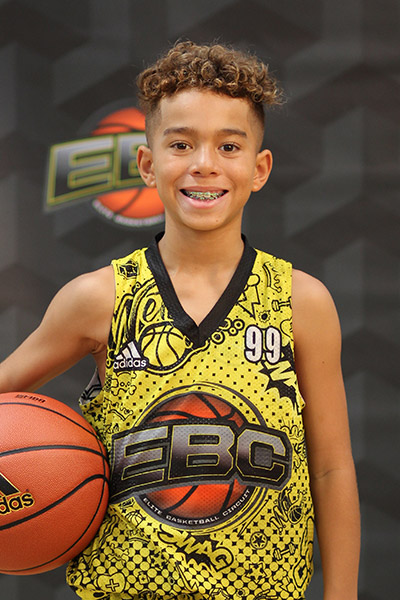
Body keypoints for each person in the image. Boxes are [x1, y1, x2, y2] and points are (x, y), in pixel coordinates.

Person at [0, 41, 360, 600]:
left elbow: (332, 468)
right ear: (148, 164)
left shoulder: (300, 301)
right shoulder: (100, 298)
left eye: (229, 146)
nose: (204, 163)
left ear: (260, 168)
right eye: (181, 144)